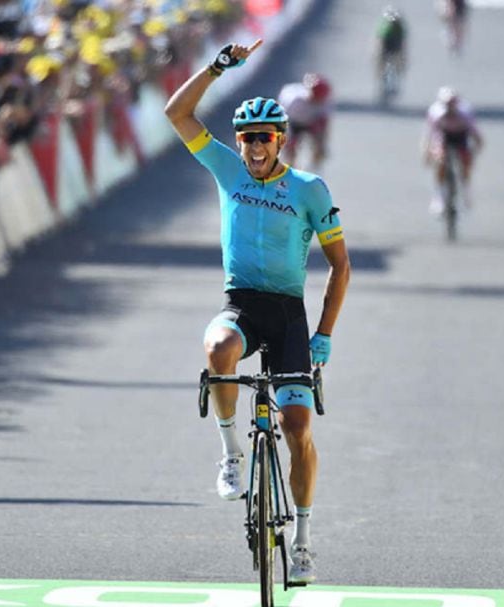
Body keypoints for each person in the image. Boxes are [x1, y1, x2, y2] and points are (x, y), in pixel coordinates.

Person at [164, 39, 351, 585]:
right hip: (242, 303)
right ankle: (229, 456)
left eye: (264, 138)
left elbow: (341, 267)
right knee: (218, 348)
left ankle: (304, 540)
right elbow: (177, 113)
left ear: (281, 140)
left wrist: (324, 335)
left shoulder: (309, 190)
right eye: (246, 138)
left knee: (297, 427)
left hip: (290, 317)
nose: (253, 147)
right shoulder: (227, 169)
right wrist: (218, 67)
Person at [423, 87, 483, 213]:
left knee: (466, 160)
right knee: (440, 161)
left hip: (461, 135)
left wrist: (474, 152)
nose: (450, 108)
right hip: (443, 136)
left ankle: (465, 190)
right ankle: (439, 195)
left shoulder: (465, 114)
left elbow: (476, 135)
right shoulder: (436, 114)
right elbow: (430, 136)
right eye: (447, 105)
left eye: (452, 104)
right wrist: (429, 154)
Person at [277, 72, 332, 170]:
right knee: (290, 147)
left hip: (312, 122)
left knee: (320, 146)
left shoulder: (325, 102)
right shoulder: (295, 101)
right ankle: (290, 170)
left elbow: (324, 123)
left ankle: (314, 169)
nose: (318, 102)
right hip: (292, 122)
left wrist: (321, 143)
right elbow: (284, 122)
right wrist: (290, 141)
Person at [375, 6, 406, 90]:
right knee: (380, 59)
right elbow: (379, 41)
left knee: (398, 59)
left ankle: (398, 71)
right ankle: (380, 74)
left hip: (395, 44)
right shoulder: (384, 26)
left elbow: (402, 42)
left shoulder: (400, 27)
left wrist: (402, 55)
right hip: (386, 43)